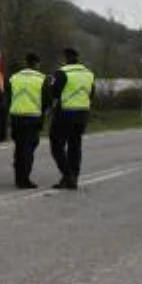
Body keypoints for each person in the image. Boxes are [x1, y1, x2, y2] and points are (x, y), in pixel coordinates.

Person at [48, 47, 95, 190]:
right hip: (82, 114)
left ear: (66, 58)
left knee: (56, 144)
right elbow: (91, 94)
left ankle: (68, 175)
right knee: (75, 145)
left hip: (65, 113)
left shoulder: (62, 72)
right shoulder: (89, 73)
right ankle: (73, 176)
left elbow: (54, 92)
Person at [7, 52, 50, 189]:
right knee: (28, 150)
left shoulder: (14, 78)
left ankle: (18, 177)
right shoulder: (41, 78)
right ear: (37, 64)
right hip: (32, 119)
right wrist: (42, 112)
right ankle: (24, 180)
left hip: (16, 118)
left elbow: (7, 97)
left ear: (26, 62)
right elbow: (47, 101)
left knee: (19, 148)